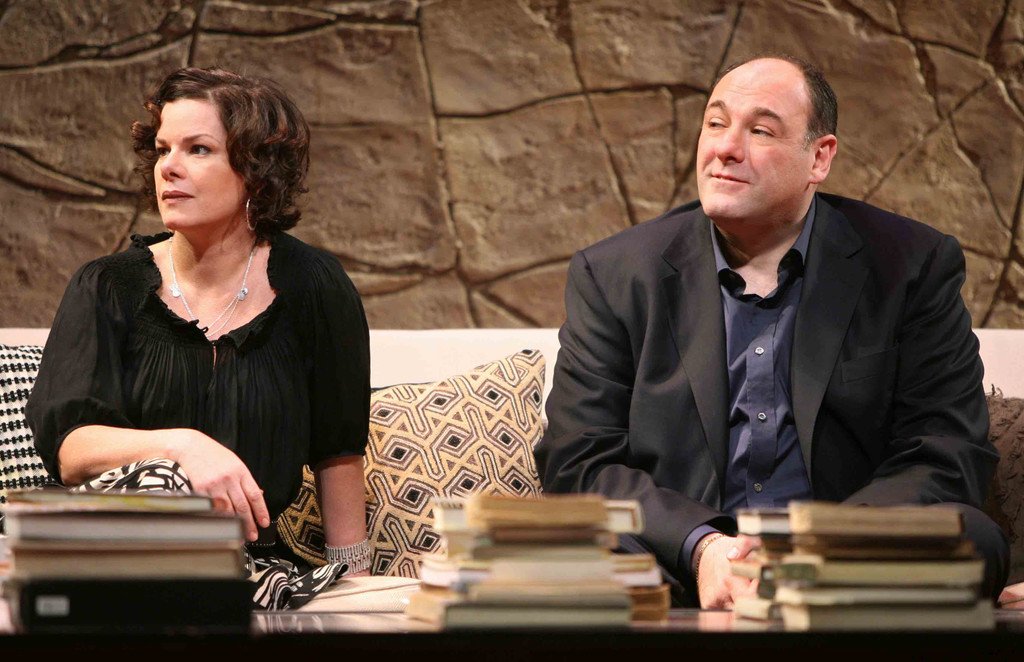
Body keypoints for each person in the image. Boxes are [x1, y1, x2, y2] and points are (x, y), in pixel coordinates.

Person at [535, 54, 1010, 608]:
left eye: (760, 131)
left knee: (973, 540)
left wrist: (818, 545)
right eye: (716, 123)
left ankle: (803, 585)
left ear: (819, 158)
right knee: (569, 550)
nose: (725, 148)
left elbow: (946, 449)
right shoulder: (615, 274)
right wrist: (704, 548)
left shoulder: (910, 266)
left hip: (848, 555)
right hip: (678, 561)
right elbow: (580, 458)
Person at [26, 67, 371, 608]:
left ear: (255, 171)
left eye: (199, 149)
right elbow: (72, 449)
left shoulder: (315, 286)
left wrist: (353, 581)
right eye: (163, 149)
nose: (169, 167)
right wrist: (181, 446)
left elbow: (338, 452)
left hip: (251, 571)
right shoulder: (107, 285)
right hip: (113, 557)